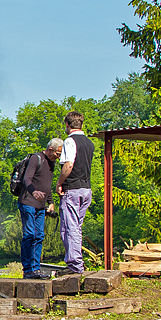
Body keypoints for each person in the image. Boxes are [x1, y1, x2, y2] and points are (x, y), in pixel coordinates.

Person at [56, 111, 95, 275]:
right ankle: (76, 262)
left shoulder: (70, 141)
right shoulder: (89, 143)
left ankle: (74, 265)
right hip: (86, 188)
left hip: (73, 189)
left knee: (69, 227)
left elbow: (69, 165)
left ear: (67, 125)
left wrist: (59, 182)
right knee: (77, 228)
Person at [19, 138, 63, 279]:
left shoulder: (52, 163)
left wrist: (50, 202)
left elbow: (47, 185)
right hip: (28, 202)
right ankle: (28, 270)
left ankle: (36, 269)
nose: (59, 157)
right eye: (57, 153)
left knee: (39, 236)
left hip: (41, 206)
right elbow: (27, 179)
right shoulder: (36, 159)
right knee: (30, 235)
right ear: (50, 149)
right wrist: (34, 192)